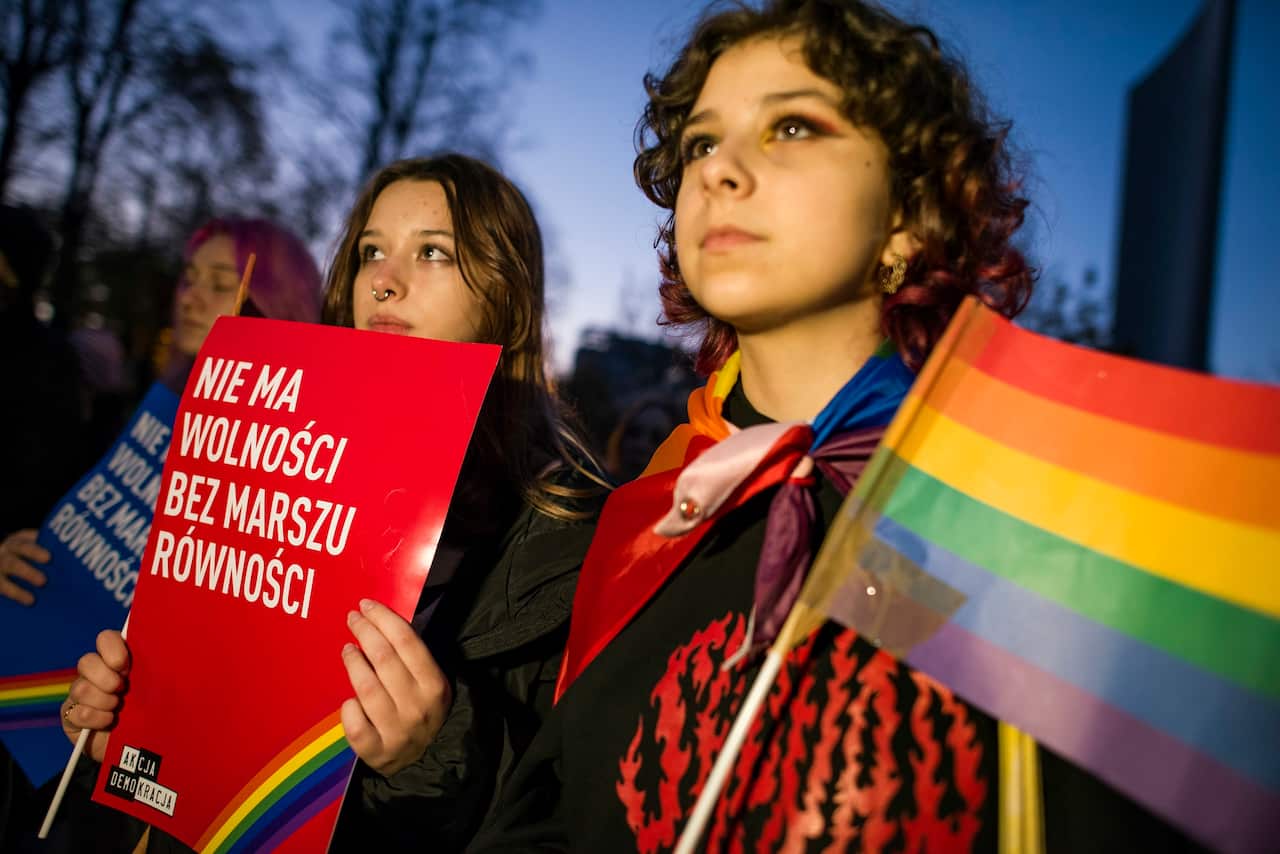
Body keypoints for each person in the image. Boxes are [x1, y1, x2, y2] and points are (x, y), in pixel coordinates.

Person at [472, 2, 1205, 851]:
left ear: (907, 216)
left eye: (791, 126)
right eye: (701, 143)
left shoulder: (1040, 526)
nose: (717, 172)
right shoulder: (645, 521)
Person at [56, 155, 609, 852]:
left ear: (504, 293)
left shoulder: (568, 536)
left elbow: (562, 810)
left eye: (432, 252)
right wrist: (125, 731)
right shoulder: (262, 461)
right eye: (370, 251)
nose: (383, 278)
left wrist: (436, 752)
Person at [0, 217, 324, 609]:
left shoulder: (301, 464)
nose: (188, 297)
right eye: (189, 278)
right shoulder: (154, 413)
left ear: (279, 305)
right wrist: (17, 553)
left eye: (221, 284)